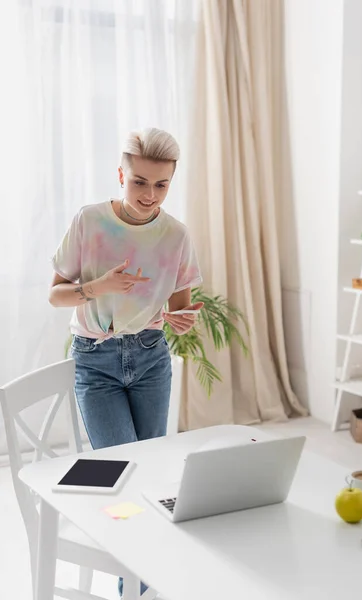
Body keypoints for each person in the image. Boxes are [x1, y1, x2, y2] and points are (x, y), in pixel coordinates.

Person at [49, 128, 203, 597]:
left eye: (161, 185)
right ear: (121, 174)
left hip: (152, 357)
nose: (149, 195)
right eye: (139, 182)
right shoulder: (90, 221)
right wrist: (99, 287)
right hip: (95, 361)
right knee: (120, 475)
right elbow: (55, 295)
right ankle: (131, 588)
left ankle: (142, 584)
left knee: (152, 474)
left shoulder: (175, 234)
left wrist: (182, 321)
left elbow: (185, 305)